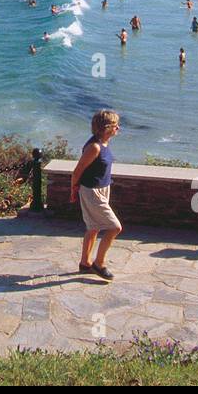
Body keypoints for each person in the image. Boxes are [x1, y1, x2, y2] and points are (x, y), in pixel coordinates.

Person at [69, 110, 122, 281]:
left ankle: (85, 263)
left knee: (93, 228)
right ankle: (99, 264)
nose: (118, 128)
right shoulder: (94, 147)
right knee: (115, 227)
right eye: (115, 126)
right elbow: (77, 172)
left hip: (102, 190)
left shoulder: (104, 143)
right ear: (106, 128)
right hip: (92, 192)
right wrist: (73, 191)